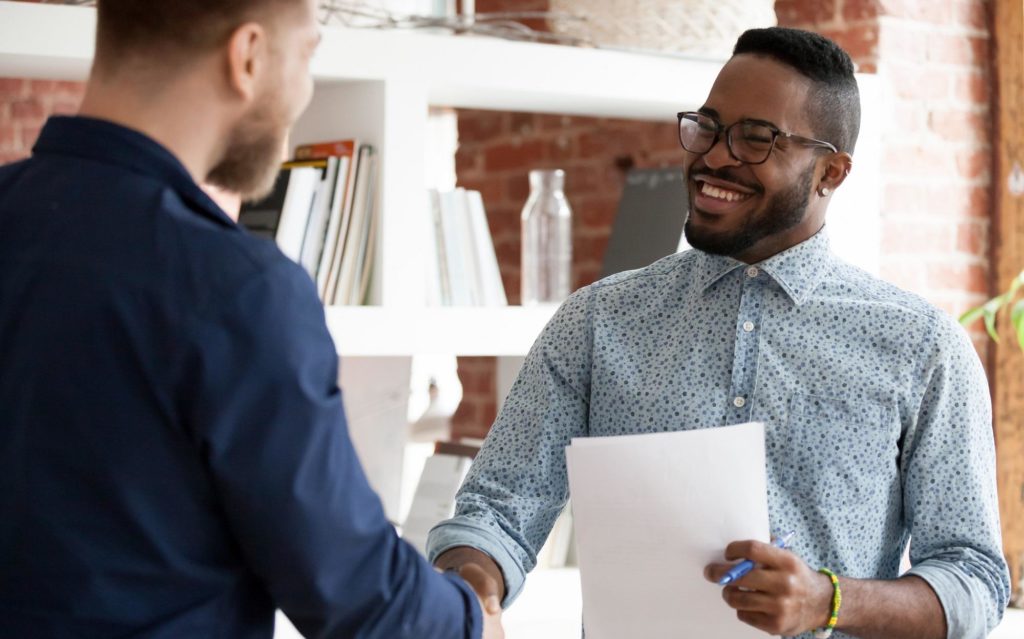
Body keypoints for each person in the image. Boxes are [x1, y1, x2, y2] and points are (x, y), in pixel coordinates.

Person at [429, 26, 1010, 639]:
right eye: (707, 127)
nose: (713, 157)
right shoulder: (596, 323)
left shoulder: (921, 347)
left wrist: (827, 601)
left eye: (756, 139)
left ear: (830, 173)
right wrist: (474, 590)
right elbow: (496, 512)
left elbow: (974, 580)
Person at [0, 1, 502, 637]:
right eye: (308, 54)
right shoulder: (234, 288)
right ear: (247, 57)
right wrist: (469, 620)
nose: (304, 91)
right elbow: (356, 593)